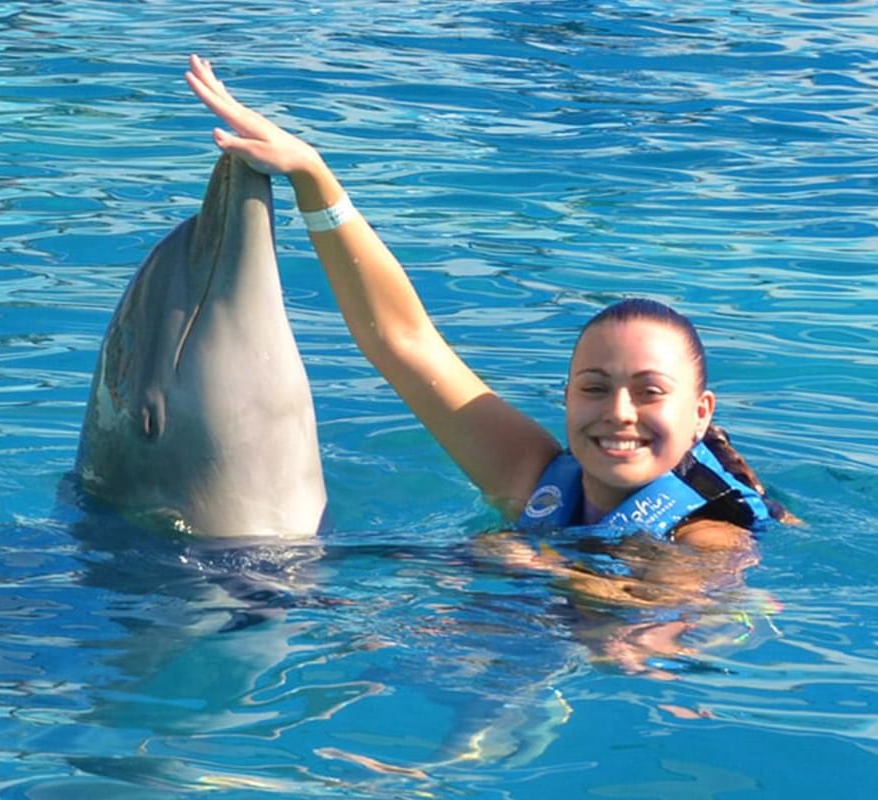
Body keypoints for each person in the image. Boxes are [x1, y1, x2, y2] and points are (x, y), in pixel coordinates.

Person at [185, 56, 792, 674]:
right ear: (565, 398)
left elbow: (642, 635)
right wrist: (313, 178)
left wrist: (546, 566)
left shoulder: (710, 532)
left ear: (700, 413)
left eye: (649, 391)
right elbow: (403, 341)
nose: (618, 413)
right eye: (594, 387)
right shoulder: (537, 477)